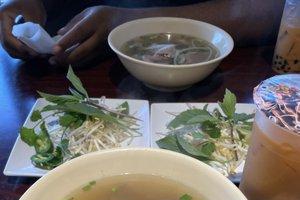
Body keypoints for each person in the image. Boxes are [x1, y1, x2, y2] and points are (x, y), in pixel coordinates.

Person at [0, 0, 285, 66]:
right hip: (61, 73)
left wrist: (135, 23)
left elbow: (278, 8)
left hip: (228, 72)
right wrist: (16, 5)